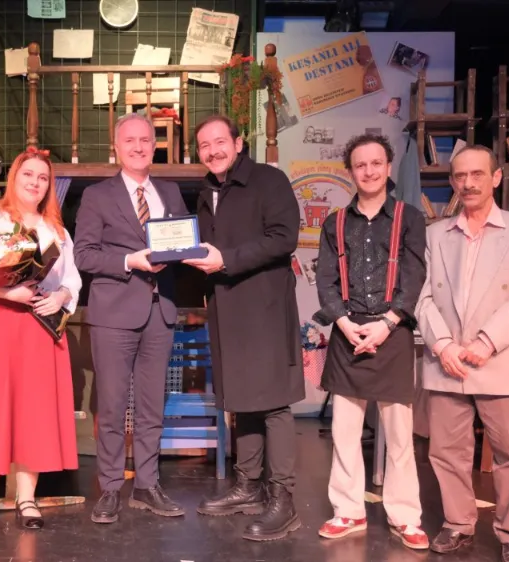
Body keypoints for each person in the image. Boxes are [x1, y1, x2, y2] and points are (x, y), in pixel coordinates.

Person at [416, 145, 509, 562]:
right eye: (459, 176)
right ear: (452, 181)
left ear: (496, 177)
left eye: (477, 174)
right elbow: (421, 297)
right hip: (448, 360)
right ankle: (457, 523)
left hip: (500, 358)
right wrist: (443, 344)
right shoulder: (436, 234)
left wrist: (487, 342)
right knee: (446, 451)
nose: (468, 183)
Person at [0, 146, 82, 538]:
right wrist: (7, 292)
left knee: (32, 412)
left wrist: (60, 296)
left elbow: (71, 279)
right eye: (28, 175)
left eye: (42, 178)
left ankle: (26, 498)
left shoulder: (56, 231)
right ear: (14, 178)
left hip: (37, 328)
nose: (34, 183)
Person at [183, 115, 304, 542]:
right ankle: (248, 486)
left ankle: (283, 499)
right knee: (241, 399)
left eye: (220, 141)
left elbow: (284, 238)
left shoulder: (269, 180)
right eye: (204, 145)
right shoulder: (207, 191)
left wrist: (227, 260)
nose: (213, 150)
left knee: (273, 403)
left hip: (264, 306)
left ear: (238, 143)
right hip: (226, 307)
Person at [312, 133, 429, 550]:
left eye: (376, 163)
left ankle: (405, 515)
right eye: (360, 165)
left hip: (392, 333)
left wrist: (387, 323)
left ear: (388, 167)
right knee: (344, 432)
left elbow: (414, 277)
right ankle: (348, 510)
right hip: (348, 332)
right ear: (351, 171)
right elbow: (326, 280)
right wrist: (345, 325)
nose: (369, 171)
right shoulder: (334, 223)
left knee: (399, 435)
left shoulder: (409, 218)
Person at [74, 113, 189, 524]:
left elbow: (183, 241)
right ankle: (109, 487)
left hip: (161, 310)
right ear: (117, 147)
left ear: (154, 146)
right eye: (130, 140)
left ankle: (146, 484)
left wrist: (184, 252)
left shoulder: (170, 192)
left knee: (152, 406)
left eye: (145, 140)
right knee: (112, 405)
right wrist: (129, 260)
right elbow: (84, 254)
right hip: (114, 314)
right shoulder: (97, 195)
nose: (138, 147)